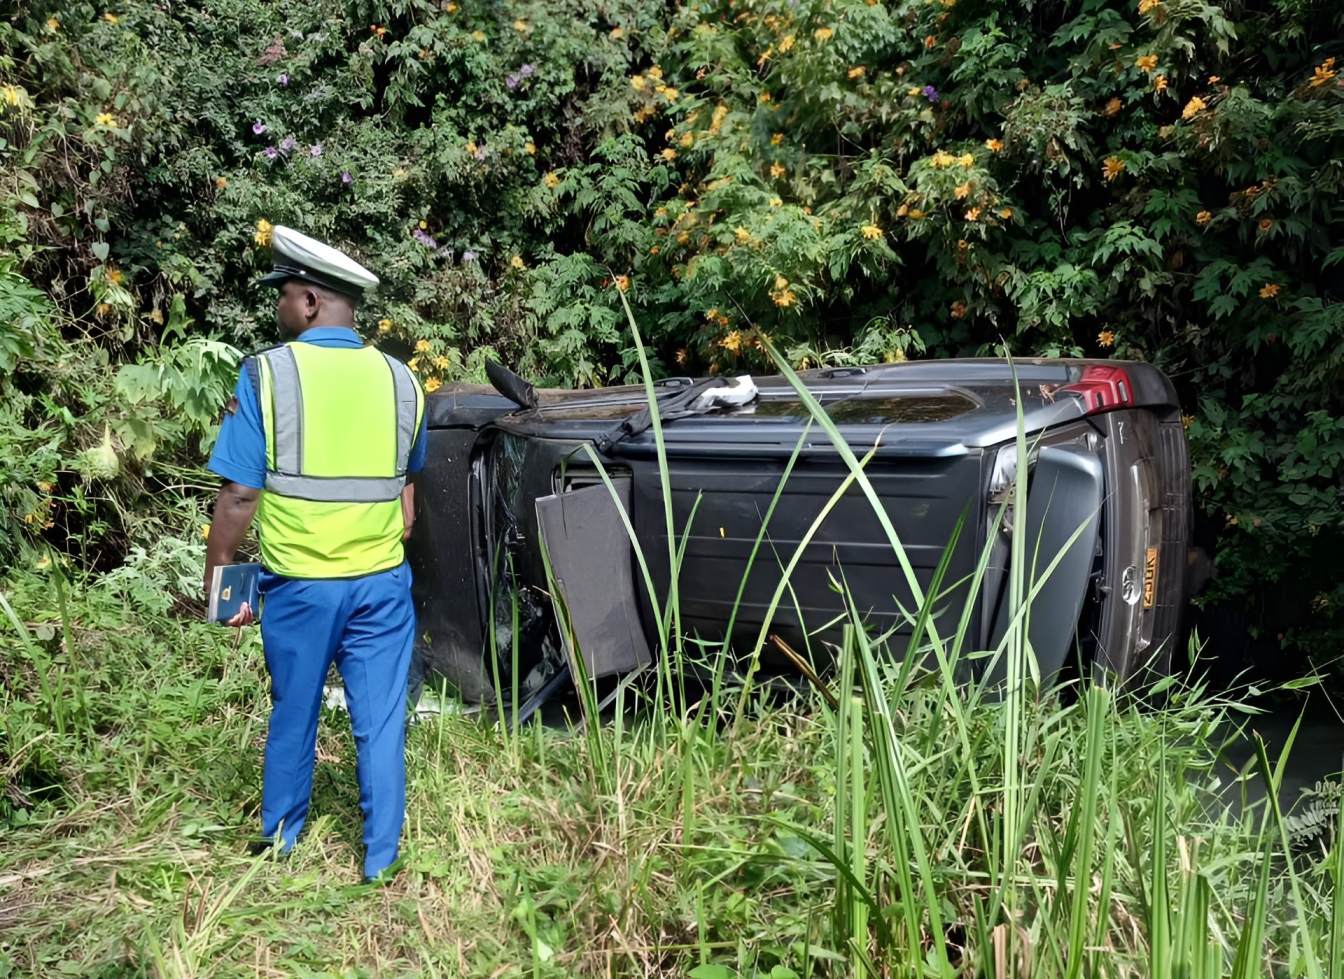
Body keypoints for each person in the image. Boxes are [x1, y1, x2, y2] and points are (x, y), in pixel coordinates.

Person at [203, 225, 427, 883]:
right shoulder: (402, 379)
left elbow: (240, 494)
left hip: (302, 586)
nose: (277, 309)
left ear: (306, 301)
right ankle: (380, 861)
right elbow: (408, 498)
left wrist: (223, 580)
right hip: (382, 583)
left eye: (282, 296)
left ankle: (280, 844)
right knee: (381, 720)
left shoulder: (268, 374)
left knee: (294, 709)